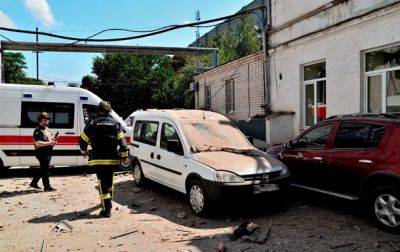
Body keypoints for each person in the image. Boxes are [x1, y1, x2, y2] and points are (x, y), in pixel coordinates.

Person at [79, 101, 128, 218]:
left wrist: (84, 151)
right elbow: (124, 145)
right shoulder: (116, 125)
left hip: (98, 159)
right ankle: (108, 204)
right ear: (109, 112)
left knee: (102, 183)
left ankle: (106, 210)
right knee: (109, 182)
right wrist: (124, 156)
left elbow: (82, 140)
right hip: (112, 160)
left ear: (99, 111)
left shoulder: (92, 123)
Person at [30, 112, 57, 191]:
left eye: (48, 119)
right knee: (45, 170)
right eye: (45, 119)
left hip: (48, 152)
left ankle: (34, 183)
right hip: (41, 152)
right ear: (40, 120)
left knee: (44, 169)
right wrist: (50, 143)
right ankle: (47, 186)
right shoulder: (37, 130)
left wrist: (54, 140)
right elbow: (38, 143)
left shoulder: (47, 129)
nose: (47, 121)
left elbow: (50, 139)